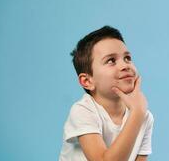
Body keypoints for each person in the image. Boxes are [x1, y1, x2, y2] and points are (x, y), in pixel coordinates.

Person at [59, 26, 154, 161]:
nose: (125, 65)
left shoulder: (144, 117)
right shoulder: (83, 111)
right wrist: (137, 113)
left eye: (127, 58)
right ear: (87, 81)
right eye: (111, 60)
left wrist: (138, 113)